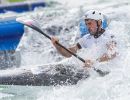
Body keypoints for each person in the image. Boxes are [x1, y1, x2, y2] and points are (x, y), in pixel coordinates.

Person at [51, 10, 118, 68]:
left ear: (99, 22)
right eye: (86, 24)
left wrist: (95, 61)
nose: (88, 26)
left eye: (90, 23)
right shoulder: (86, 38)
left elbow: (112, 54)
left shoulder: (110, 35)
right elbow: (69, 53)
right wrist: (57, 45)